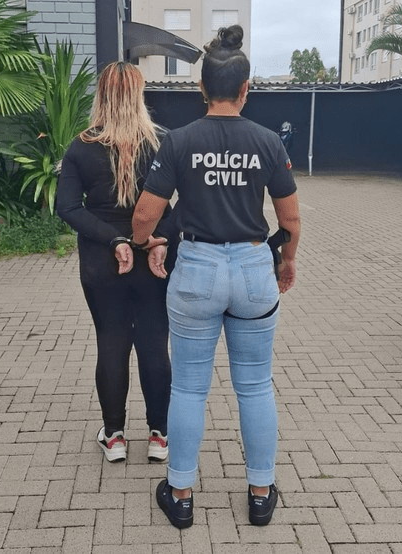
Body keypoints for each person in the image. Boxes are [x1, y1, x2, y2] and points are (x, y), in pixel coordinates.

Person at [131, 24, 301, 529]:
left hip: (197, 272)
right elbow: (290, 221)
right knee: (255, 386)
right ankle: (261, 493)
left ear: (202, 87)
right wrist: (287, 260)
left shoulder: (180, 142)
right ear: (246, 89)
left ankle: (181, 494)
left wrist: (150, 244)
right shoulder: (268, 143)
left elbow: (142, 219)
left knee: (189, 389)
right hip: (252, 270)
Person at [56, 61, 179, 464]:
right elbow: (190, 202)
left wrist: (113, 239)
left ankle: (114, 437)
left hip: (101, 258)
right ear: (139, 96)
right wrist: (162, 237)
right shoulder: (163, 142)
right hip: (154, 257)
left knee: (111, 339)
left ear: (101, 95)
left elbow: (67, 207)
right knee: (153, 341)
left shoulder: (81, 146)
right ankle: (159, 436)